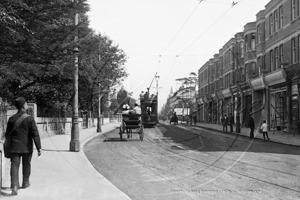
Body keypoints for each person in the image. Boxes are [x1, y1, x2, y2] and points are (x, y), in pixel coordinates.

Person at [5, 97, 42, 195]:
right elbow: (35, 134)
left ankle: (14, 186)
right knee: (27, 165)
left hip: (14, 147)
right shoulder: (29, 119)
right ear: (23, 106)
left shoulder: (11, 119)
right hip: (26, 147)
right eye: (26, 103)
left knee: (14, 166)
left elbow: (7, 134)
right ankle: (25, 183)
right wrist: (39, 148)